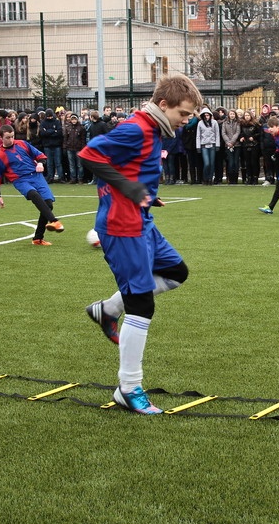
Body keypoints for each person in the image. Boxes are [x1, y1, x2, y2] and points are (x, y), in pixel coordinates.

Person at [79, 75, 202, 415]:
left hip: (141, 221)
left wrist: (148, 195)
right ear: (164, 105)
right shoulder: (136, 128)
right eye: (185, 112)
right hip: (122, 227)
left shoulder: (153, 129)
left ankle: (106, 310)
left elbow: (130, 166)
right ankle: (128, 388)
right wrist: (132, 191)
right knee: (142, 306)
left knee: (176, 272)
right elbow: (90, 156)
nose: (187, 119)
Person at [0, 125, 65, 245]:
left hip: (36, 176)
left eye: (12, 136)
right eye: (7, 137)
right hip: (20, 180)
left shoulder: (22, 144)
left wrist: (40, 163)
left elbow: (39, 155)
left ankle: (37, 238)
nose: (10, 140)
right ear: (0, 138)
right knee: (33, 194)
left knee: (48, 204)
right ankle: (54, 221)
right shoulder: (0, 156)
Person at [196, 107, 219, 185]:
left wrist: (217, 145)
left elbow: (217, 134)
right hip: (203, 146)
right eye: (205, 115)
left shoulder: (214, 123)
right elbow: (198, 135)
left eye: (208, 115)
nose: (206, 117)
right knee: (207, 163)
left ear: (210, 115)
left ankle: (210, 179)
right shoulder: (200, 123)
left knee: (212, 163)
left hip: (212, 145)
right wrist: (198, 146)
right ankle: (205, 178)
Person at [63, 113, 86, 184]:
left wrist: (82, 148)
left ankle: (80, 178)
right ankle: (73, 178)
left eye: (75, 119)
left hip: (78, 148)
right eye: (72, 119)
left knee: (79, 165)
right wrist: (65, 147)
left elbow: (83, 139)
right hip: (70, 148)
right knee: (71, 164)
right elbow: (65, 138)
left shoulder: (81, 128)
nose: (73, 121)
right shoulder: (68, 127)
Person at [239, 111, 261, 185]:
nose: (247, 116)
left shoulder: (255, 124)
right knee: (247, 162)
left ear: (251, 116)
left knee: (254, 162)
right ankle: (249, 177)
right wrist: (241, 137)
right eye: (245, 115)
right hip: (245, 145)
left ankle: (255, 178)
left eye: (248, 115)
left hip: (254, 145)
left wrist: (254, 137)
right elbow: (241, 132)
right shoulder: (242, 124)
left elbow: (260, 133)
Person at [222, 109, 241, 184]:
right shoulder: (225, 123)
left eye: (233, 114)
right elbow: (223, 133)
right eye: (231, 114)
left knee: (236, 162)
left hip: (237, 145)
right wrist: (228, 142)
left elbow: (237, 132)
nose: (232, 115)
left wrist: (232, 142)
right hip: (228, 145)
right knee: (230, 162)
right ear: (228, 115)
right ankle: (231, 179)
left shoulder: (238, 123)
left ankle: (235, 179)